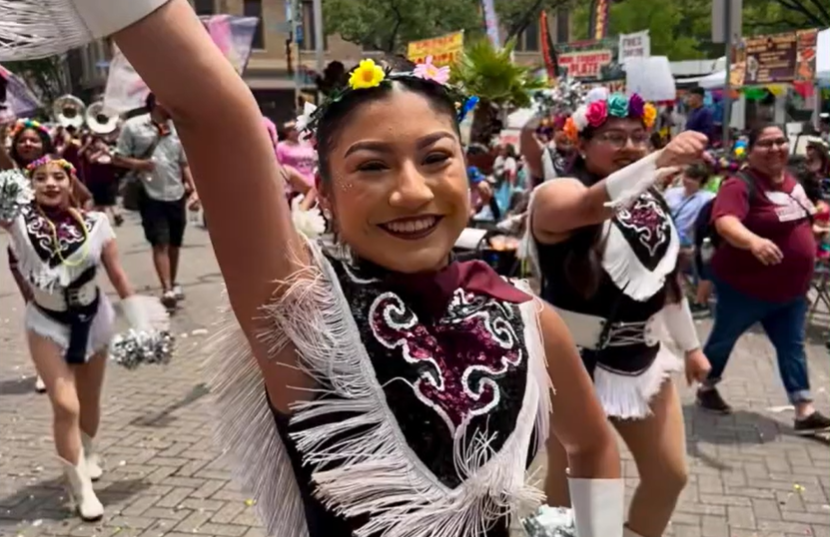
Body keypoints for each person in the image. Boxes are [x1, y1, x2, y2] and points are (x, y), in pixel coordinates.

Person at [2, 2, 641, 535]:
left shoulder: (528, 318)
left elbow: (591, 446)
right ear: (325, 196)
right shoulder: (305, 313)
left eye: (435, 158)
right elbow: (213, 113)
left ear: (467, 174)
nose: (412, 191)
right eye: (372, 166)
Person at [527, 92, 711, 537]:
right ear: (582, 144)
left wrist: (691, 348)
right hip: (572, 365)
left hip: (642, 358)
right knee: (576, 490)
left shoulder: (651, 198)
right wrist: (659, 159)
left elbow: (667, 281)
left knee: (670, 475)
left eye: (638, 137)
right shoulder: (557, 192)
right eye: (613, 137)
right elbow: (592, 207)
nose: (629, 146)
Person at [1, 156, 157, 521]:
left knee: (88, 401)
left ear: (71, 184)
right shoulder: (18, 222)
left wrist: (142, 323)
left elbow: (117, 275)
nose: (50, 183)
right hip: (46, 322)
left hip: (93, 319)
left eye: (58, 177)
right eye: (41, 178)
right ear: (30, 186)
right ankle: (81, 488)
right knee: (65, 405)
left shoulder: (96, 223)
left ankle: (87, 450)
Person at [698, 124, 830, 434]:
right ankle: (706, 386)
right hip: (746, 289)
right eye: (765, 143)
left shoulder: (793, 181)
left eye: (780, 141)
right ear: (751, 150)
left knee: (792, 346)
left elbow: (799, 219)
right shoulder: (739, 184)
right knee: (723, 341)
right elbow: (726, 222)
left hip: (791, 292)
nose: (775, 149)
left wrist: (815, 232)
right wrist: (753, 242)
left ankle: (804, 409)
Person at [2, 119, 92, 393]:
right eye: (22, 140)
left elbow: (85, 197)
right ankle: (47, 369)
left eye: (33, 139)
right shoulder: (11, 175)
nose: (28, 144)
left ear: (44, 143)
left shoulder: (57, 168)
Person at [114, 93, 196, 309]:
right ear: (158, 101)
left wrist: (194, 190)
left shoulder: (177, 129)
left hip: (175, 192)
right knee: (160, 241)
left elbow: (184, 162)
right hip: (149, 192)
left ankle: (173, 282)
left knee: (175, 242)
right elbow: (118, 157)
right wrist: (139, 165)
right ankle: (167, 288)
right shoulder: (133, 126)